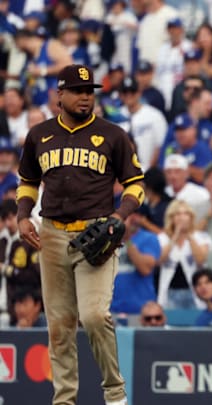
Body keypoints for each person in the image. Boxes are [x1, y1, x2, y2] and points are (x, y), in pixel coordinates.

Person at [17, 64, 144, 405]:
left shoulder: (113, 134)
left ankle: (115, 394)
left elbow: (135, 184)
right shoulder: (39, 135)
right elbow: (28, 181)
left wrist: (120, 216)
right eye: (78, 90)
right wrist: (22, 216)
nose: (86, 97)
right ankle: (64, 400)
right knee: (59, 326)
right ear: (60, 94)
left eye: (90, 91)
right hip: (52, 234)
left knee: (93, 316)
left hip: (96, 235)